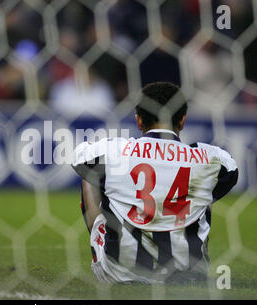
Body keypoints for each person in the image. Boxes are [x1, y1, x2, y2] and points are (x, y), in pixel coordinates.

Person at [71, 82, 238, 284]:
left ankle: (107, 249)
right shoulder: (209, 158)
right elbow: (230, 168)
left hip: (119, 274)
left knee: (92, 175)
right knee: (204, 186)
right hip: (189, 276)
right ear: (182, 120)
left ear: (139, 121)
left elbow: (79, 157)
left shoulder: (116, 150)